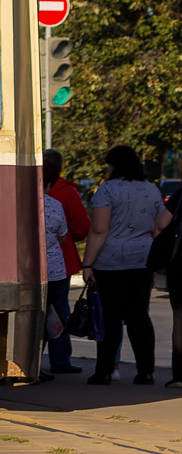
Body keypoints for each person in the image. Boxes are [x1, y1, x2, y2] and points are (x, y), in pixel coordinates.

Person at [82, 144, 166, 385]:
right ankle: (146, 372)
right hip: (142, 260)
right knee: (139, 316)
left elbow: (99, 229)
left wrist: (88, 264)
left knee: (110, 317)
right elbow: (157, 227)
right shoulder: (152, 191)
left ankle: (105, 371)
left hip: (111, 262)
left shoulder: (106, 190)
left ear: (114, 165)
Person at [45, 149, 90, 373]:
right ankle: (60, 360)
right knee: (60, 309)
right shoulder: (66, 193)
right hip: (60, 260)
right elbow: (82, 226)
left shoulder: (23, 189)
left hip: (27, 262)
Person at [40, 164, 69, 382]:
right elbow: (63, 236)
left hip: (21, 269)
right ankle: (36, 365)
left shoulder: (14, 201)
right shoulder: (54, 205)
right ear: (48, 185)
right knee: (46, 317)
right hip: (52, 270)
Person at [153, 184, 182, 388]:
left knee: (180, 321)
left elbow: (163, 223)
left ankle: (180, 375)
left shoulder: (181, 193)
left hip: (180, 266)